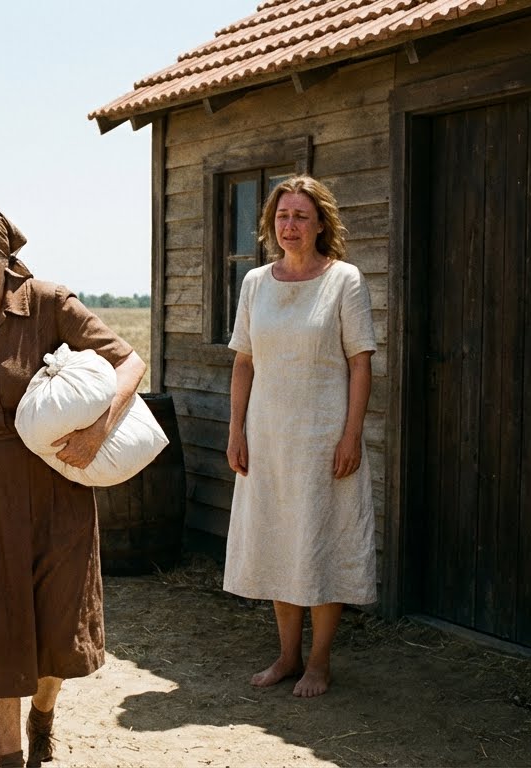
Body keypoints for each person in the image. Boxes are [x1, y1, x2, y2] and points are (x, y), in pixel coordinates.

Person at [0, 205, 146, 768]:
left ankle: (42, 713)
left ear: (7, 264)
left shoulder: (50, 303)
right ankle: (11, 758)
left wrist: (97, 429)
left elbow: (130, 362)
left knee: (56, 619)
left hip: (54, 482)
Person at [223, 175, 377, 698]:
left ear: (320, 225)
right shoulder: (255, 283)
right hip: (268, 438)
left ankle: (319, 662)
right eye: (282, 216)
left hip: (323, 438)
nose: (289, 225)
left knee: (322, 542)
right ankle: (287, 656)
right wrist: (236, 430)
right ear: (271, 223)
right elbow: (244, 362)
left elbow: (360, 364)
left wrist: (351, 435)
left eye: (301, 217)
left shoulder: (344, 280)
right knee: (279, 541)